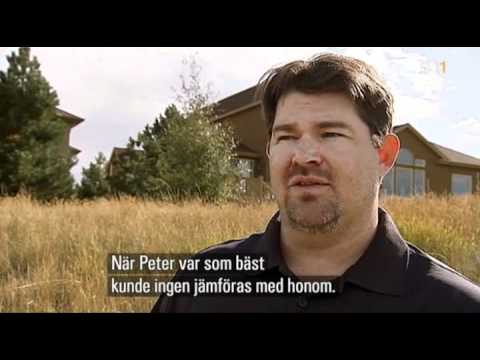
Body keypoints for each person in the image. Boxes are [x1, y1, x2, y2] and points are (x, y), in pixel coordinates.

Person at [152, 53, 480, 312]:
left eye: (330, 134)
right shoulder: (202, 283)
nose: (304, 155)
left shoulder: (453, 304)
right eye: (287, 136)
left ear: (384, 155)